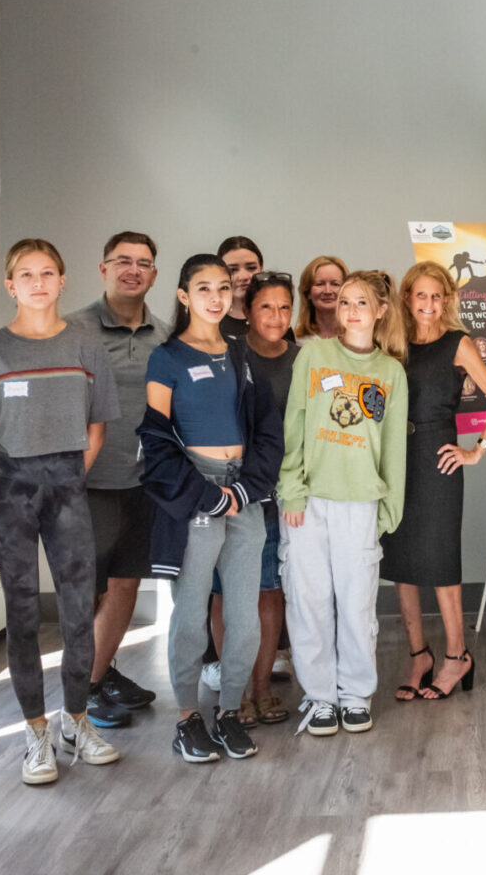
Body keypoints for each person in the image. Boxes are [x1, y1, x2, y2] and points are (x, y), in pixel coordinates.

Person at [0, 239, 122, 783]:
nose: (37, 282)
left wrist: (69, 475)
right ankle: (35, 731)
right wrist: (6, 481)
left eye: (47, 273)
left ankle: (75, 718)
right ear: (10, 285)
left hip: (67, 483)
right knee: (23, 612)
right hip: (9, 485)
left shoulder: (86, 349)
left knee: (79, 608)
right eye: (25, 274)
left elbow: (98, 424)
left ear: (62, 281)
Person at [139, 254, 282, 763]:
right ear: (183, 296)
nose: (217, 297)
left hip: (243, 496)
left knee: (245, 619)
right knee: (192, 614)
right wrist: (206, 494)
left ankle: (226, 713)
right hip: (196, 496)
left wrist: (244, 490)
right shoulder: (167, 358)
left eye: (224, 288)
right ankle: (187, 718)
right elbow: (155, 438)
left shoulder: (242, 355)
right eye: (204, 288)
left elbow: (268, 431)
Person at [279, 271, 408, 735]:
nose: (350, 310)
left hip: (361, 503)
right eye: (345, 302)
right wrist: (290, 488)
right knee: (309, 603)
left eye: (361, 303)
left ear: (380, 311)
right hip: (309, 501)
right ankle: (320, 698)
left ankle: (355, 694)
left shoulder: (390, 372)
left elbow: (394, 445)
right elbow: (293, 425)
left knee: (357, 606)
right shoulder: (314, 354)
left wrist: (390, 506)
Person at [382, 262, 486, 700]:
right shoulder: (391, 344)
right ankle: (419, 656)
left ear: (447, 299)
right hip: (397, 462)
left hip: (439, 461)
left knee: (440, 561)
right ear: (407, 299)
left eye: (437, 296)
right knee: (400, 563)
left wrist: (478, 450)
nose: (430, 304)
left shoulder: (458, 344)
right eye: (421, 295)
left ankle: (457, 656)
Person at [66, 231, 167, 726]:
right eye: (122, 261)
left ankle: (96, 679)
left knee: (127, 583)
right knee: (87, 591)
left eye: (143, 263)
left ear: (155, 274)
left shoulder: (166, 335)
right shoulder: (72, 330)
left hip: (143, 482)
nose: (133, 270)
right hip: (86, 483)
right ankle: (80, 693)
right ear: (103, 268)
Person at [211, 271, 298, 725]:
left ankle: (261, 689)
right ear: (246, 310)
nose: (277, 316)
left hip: (283, 497)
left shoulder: (304, 360)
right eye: (267, 306)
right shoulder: (227, 356)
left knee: (268, 592)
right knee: (226, 595)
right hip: (233, 493)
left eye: (285, 307)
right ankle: (235, 692)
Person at [217, 235, 264, 341]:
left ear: (261, 269)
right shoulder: (208, 321)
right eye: (233, 270)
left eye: (251, 268)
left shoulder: (276, 317)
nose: (243, 276)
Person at [294, 255, 348, 344]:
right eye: (319, 284)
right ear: (308, 293)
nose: (328, 291)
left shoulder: (358, 339)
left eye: (335, 284)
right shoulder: (296, 341)